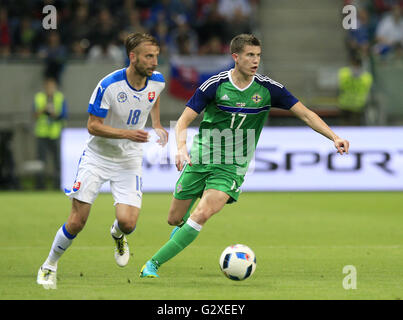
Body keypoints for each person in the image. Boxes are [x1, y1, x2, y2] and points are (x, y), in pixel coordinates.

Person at [139, 34, 350, 278]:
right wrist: (181, 148)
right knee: (175, 219)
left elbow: (305, 114)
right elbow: (184, 120)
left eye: (258, 55)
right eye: (250, 55)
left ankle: (152, 264)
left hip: (233, 166)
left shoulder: (268, 89)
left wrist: (334, 136)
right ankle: (181, 230)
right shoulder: (215, 85)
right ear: (235, 57)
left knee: (202, 213)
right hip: (202, 157)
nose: (255, 60)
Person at [37, 33, 168, 289]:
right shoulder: (109, 85)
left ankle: (117, 234)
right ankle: (49, 265)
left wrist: (157, 124)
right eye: (148, 56)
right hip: (97, 157)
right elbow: (92, 126)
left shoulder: (157, 82)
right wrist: (127, 133)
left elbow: (154, 98)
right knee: (77, 221)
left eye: (156, 56)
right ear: (133, 57)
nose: (154, 62)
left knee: (128, 223)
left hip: (128, 159)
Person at [33, 77, 68, 190]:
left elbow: (64, 115)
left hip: (55, 133)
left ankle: (57, 185)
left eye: (52, 87)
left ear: (55, 87)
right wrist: (43, 110)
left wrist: (54, 114)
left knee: (57, 161)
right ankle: (39, 185)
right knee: (40, 161)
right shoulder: (39, 98)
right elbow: (34, 115)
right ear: (45, 87)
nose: (50, 89)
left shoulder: (60, 97)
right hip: (41, 133)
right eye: (48, 87)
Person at [337, 54, 373, 125]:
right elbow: (367, 91)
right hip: (358, 105)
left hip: (345, 103)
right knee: (355, 128)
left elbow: (339, 87)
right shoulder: (367, 76)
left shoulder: (343, 73)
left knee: (344, 127)